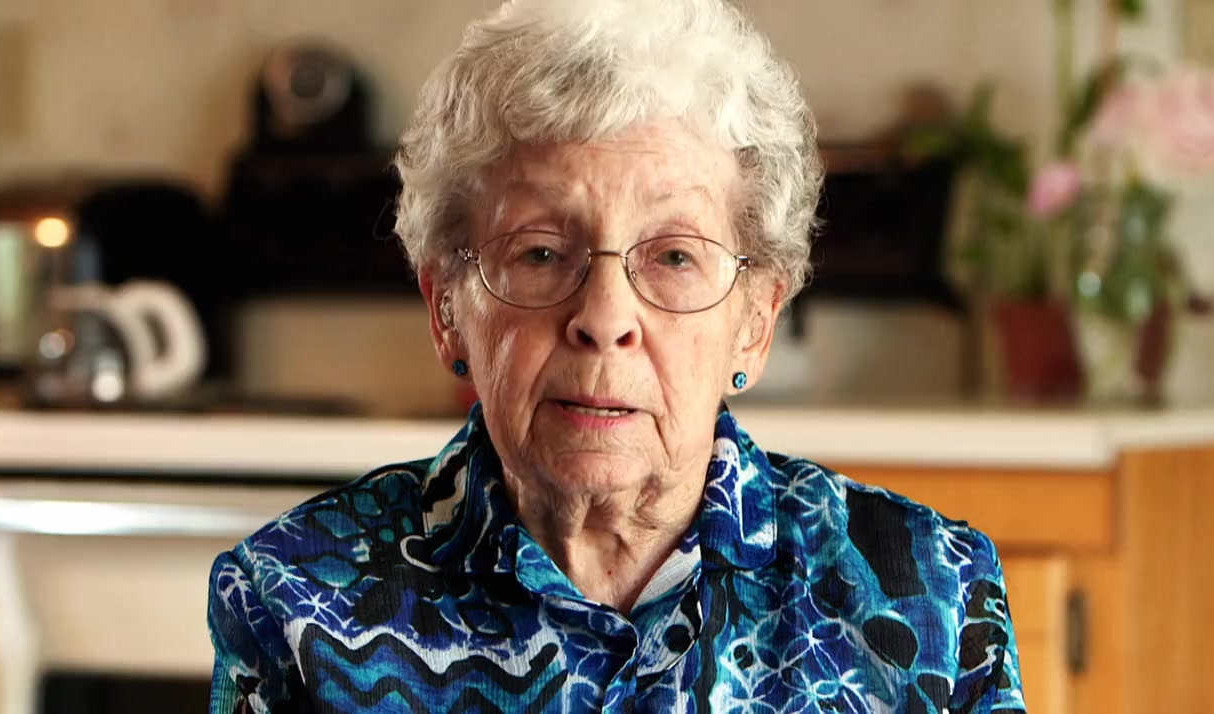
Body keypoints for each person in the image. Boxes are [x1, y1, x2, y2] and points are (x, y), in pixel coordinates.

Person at [207, 1, 1027, 711]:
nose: (604, 320)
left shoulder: (933, 597)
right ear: (447, 308)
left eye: (673, 256)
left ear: (756, 320)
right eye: (539, 253)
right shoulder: (293, 599)